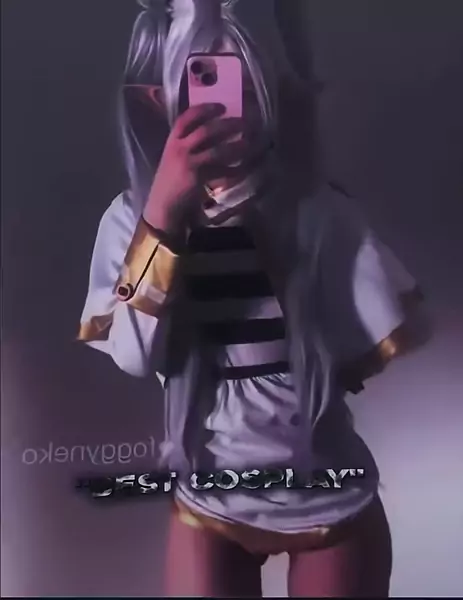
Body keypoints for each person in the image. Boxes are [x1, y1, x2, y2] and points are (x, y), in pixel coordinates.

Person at [78, 0, 425, 596]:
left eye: (244, 85)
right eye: (202, 83)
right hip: (208, 498)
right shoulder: (132, 220)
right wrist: (163, 212)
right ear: (159, 98)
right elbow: (134, 356)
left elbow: (383, 339)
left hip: (328, 494)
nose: (226, 110)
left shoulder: (319, 213)